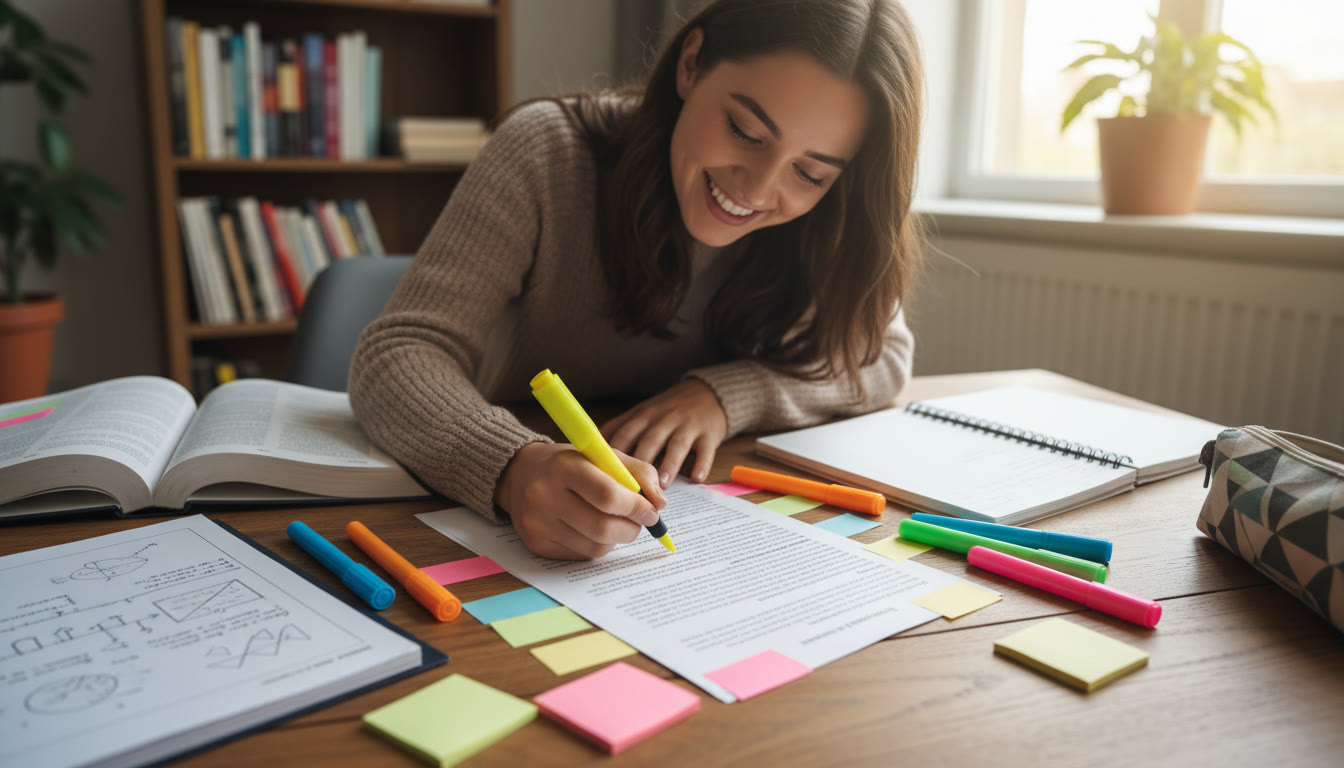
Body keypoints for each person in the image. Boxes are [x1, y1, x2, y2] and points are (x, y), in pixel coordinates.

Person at [349, 0, 925, 560]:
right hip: (509, 512)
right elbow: (398, 352)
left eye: (810, 171)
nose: (754, 190)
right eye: (746, 131)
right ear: (691, 62)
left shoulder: (828, 219)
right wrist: (512, 465)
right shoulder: (548, 152)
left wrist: (723, 399)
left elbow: (883, 355)